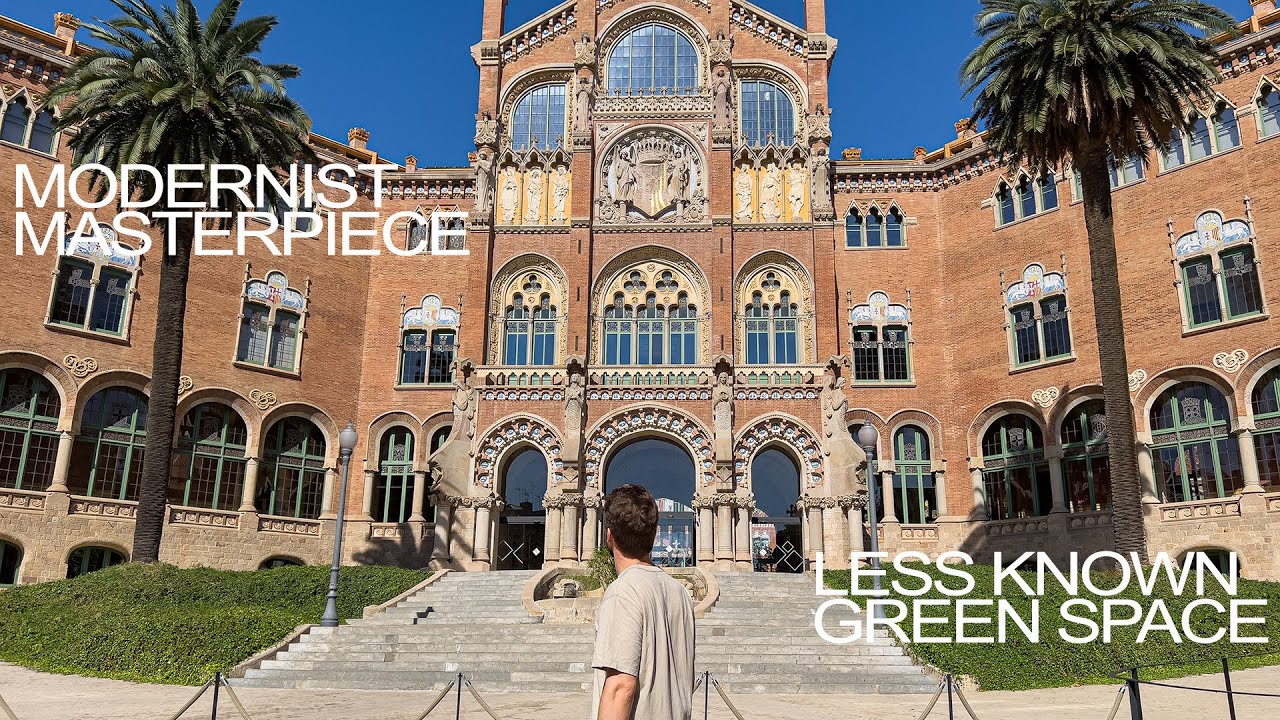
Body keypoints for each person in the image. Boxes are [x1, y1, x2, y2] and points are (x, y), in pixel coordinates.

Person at [591, 484, 695, 720]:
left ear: (609, 535)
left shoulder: (623, 592)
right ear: (654, 534)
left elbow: (620, 688)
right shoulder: (679, 592)